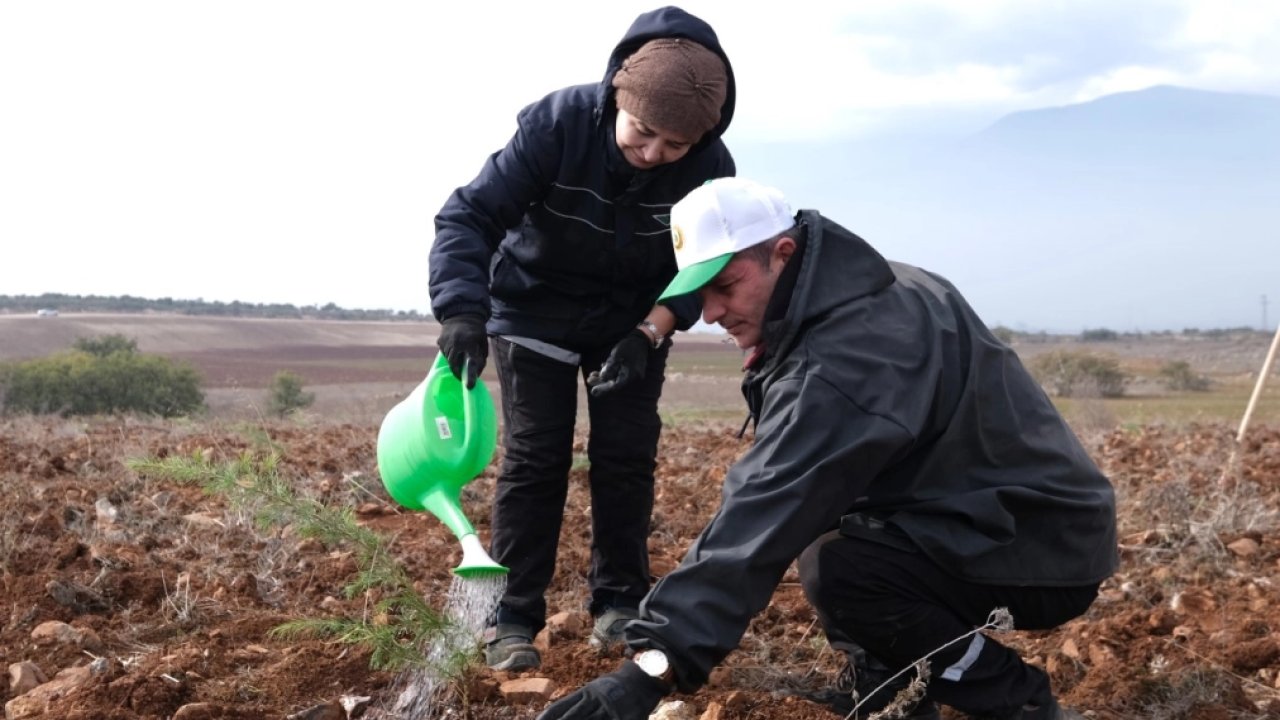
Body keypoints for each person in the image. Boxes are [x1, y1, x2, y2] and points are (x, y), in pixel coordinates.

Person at [535, 178, 1117, 720]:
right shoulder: (869, 284)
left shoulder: (844, 357)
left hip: (1038, 543)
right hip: (1012, 514)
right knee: (837, 530)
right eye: (698, 294)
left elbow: (766, 509)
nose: (710, 314)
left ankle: (1019, 701)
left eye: (725, 286)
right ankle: (889, 687)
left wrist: (652, 667)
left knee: (842, 568)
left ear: (782, 253)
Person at [427, 7, 736, 672]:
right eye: (643, 133)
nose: (654, 155)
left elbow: (706, 264)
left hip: (630, 322)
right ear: (615, 97)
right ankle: (511, 620)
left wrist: (653, 330)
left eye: (674, 147)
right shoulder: (557, 126)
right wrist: (461, 310)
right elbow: (469, 216)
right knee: (537, 460)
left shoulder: (712, 166)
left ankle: (621, 607)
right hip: (533, 310)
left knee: (626, 457)